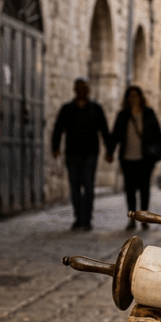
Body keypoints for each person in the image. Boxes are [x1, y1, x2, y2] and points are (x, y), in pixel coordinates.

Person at [50, 77, 112, 231]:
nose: (82, 90)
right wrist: (55, 147)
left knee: (89, 185)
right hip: (72, 153)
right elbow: (58, 128)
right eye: (79, 88)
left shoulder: (96, 108)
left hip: (90, 153)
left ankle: (87, 219)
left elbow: (104, 130)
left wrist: (109, 150)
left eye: (84, 87)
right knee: (75, 186)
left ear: (88, 90)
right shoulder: (67, 109)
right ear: (75, 90)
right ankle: (78, 217)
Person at [111, 86, 161, 230]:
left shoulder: (148, 114)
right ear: (127, 98)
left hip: (145, 159)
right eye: (131, 96)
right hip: (127, 158)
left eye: (136, 95)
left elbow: (157, 134)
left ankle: (144, 219)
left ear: (141, 97)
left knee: (144, 190)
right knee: (129, 190)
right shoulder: (123, 115)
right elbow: (116, 134)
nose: (134, 98)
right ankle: (132, 218)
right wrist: (110, 151)